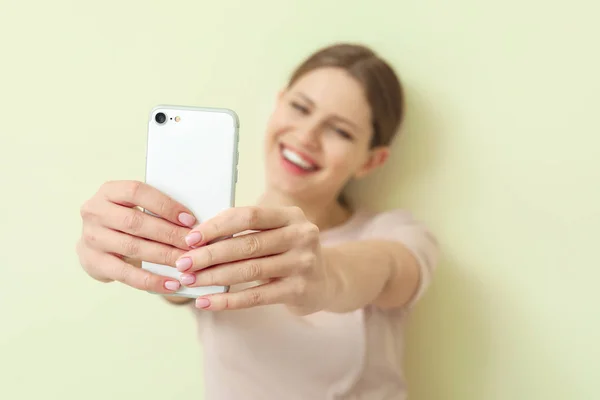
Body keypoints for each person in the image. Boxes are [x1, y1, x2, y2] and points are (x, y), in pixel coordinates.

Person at [76, 43, 439, 399]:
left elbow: (385, 269)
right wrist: (113, 244)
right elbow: (175, 279)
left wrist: (326, 276)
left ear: (371, 161)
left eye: (340, 131)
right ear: (278, 104)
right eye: (300, 108)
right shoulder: (212, 232)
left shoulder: (399, 234)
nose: (306, 136)